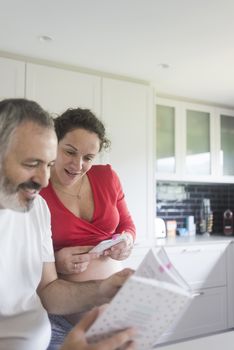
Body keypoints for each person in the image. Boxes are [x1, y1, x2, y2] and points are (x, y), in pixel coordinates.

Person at [0, 98, 135, 350]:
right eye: (32, 163)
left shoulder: (36, 208)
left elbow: (50, 292)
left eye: (48, 164)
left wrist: (105, 290)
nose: (43, 180)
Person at [40, 107, 136, 349]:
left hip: (115, 314)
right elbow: (25, 256)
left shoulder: (108, 177)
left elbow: (127, 224)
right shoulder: (38, 188)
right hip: (61, 319)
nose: (78, 164)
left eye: (88, 158)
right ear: (54, 144)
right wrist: (56, 261)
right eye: (70, 152)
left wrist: (127, 241)